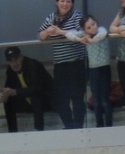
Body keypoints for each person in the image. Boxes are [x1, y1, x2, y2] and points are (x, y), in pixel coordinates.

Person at [39, 0, 88, 129]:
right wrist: (48, 31)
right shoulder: (51, 17)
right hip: (60, 65)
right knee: (61, 99)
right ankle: (69, 126)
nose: (65, 4)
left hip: (77, 63)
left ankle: (78, 127)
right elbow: (41, 35)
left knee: (77, 97)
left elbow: (82, 32)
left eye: (68, 1)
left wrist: (60, 31)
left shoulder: (77, 15)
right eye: (62, 1)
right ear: (57, 3)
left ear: (72, 4)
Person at [67, 15, 113, 128]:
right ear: (84, 29)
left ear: (96, 22)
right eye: (88, 27)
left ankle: (109, 124)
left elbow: (102, 34)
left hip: (105, 68)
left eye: (93, 24)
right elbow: (68, 34)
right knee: (96, 99)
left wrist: (91, 40)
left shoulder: (101, 30)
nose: (93, 28)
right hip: (93, 69)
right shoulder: (84, 35)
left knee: (105, 98)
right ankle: (99, 124)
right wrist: (80, 39)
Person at [0, 46, 55, 133]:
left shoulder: (33, 65)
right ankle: (12, 132)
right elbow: (8, 88)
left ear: (21, 57)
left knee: (36, 96)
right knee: (8, 101)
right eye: (10, 61)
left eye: (16, 59)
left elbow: (37, 90)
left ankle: (39, 131)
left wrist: (15, 92)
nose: (14, 63)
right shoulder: (10, 70)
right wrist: (5, 95)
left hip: (48, 102)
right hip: (28, 103)